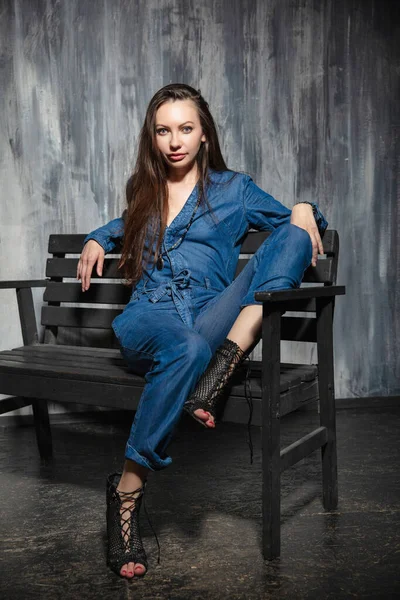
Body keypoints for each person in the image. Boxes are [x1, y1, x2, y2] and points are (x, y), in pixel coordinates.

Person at [77, 83, 328, 579]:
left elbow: (292, 234)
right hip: (151, 317)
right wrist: (94, 237)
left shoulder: (234, 190)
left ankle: (227, 357)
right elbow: (119, 225)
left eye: (186, 129)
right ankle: (127, 491)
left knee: (292, 235)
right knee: (187, 347)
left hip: (213, 313)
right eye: (164, 130)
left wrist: (303, 208)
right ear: (153, 138)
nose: (175, 141)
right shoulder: (144, 191)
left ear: (204, 135)